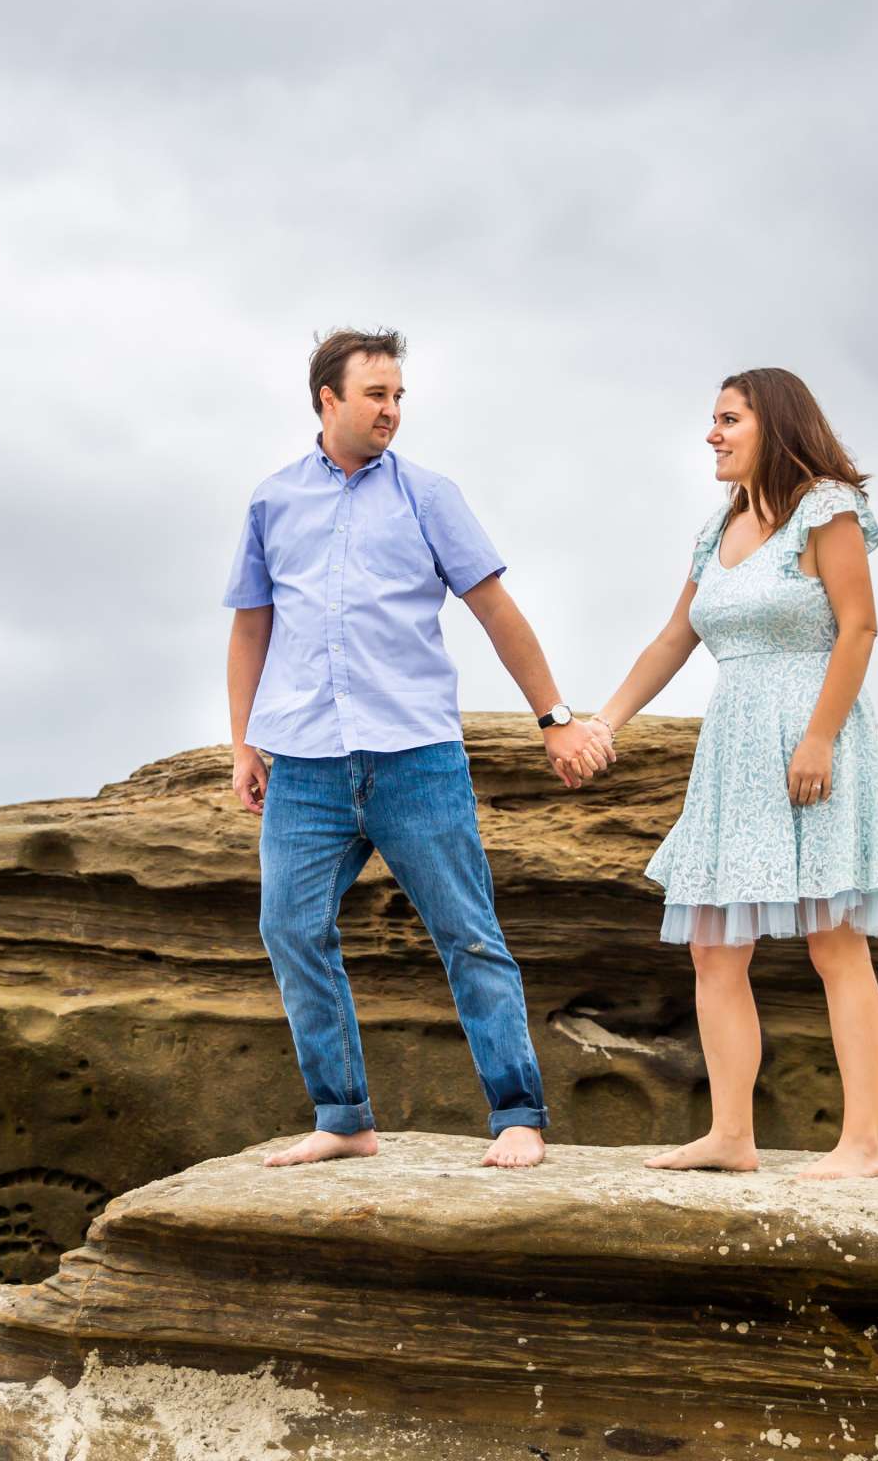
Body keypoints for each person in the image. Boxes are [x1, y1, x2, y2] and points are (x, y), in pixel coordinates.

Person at [223, 328, 608, 1170]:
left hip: (416, 757)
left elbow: (497, 611)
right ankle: (344, 1116)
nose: (392, 409)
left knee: (467, 933)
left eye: (399, 395)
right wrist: (244, 742)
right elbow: (252, 626)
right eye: (376, 395)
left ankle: (517, 1114)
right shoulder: (272, 502)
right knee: (289, 927)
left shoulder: (431, 496)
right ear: (328, 400)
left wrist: (555, 718)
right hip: (308, 766)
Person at [584, 368, 878, 1180]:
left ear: (775, 425)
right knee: (711, 948)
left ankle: (863, 1145)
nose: (712, 434)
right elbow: (672, 639)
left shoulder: (826, 507)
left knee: (835, 942)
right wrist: (603, 722)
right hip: (733, 750)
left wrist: (820, 738)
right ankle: (732, 1135)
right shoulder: (718, 526)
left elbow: (860, 629)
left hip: (813, 737)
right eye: (713, 419)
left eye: (728, 419)